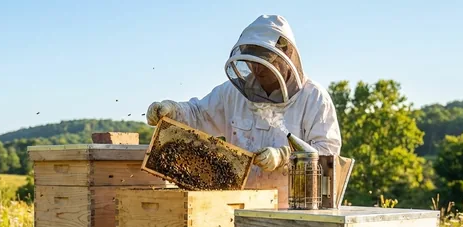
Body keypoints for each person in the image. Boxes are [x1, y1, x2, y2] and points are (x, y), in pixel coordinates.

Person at [146, 14, 341, 208]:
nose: (256, 69)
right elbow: (199, 114)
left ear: (287, 55)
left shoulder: (314, 98)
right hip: (237, 208)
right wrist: (174, 111)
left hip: (291, 210)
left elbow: (328, 156)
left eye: (265, 61)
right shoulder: (232, 93)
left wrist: (285, 157)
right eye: (252, 61)